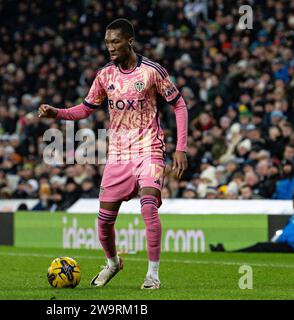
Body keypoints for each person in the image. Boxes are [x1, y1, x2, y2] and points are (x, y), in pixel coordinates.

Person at [38, 18, 188, 289]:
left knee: (149, 207)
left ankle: (152, 276)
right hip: (118, 154)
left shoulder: (152, 71)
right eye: (107, 42)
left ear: (129, 41)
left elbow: (179, 106)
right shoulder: (105, 75)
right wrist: (56, 113)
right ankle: (113, 263)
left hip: (149, 149)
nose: (110, 47)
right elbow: (85, 108)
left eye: (115, 41)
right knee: (105, 222)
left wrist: (181, 148)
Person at [210, 192, 294, 253]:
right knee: (261, 246)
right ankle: (230, 253)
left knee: (261, 246)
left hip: (293, 248)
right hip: (285, 244)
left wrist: (286, 239)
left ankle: (230, 253)